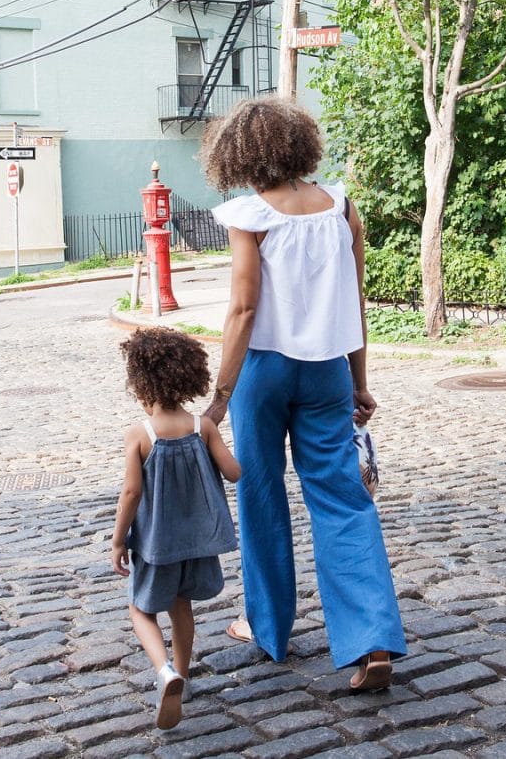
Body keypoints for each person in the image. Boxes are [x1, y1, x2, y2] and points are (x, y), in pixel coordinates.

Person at [198, 96, 407, 691]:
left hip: (263, 371)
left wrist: (219, 398)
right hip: (327, 372)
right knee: (344, 499)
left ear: (239, 155)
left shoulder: (249, 215)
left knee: (261, 494)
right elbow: (354, 301)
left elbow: (243, 309)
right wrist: (359, 381)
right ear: (300, 145)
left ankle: (267, 627)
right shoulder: (341, 207)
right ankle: (371, 639)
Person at [111, 327, 241, 729]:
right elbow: (234, 472)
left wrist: (118, 540)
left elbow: (132, 492)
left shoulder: (140, 434)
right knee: (181, 606)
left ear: (141, 385)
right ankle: (183, 675)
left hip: (156, 545)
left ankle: (164, 670)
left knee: (140, 608)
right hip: (198, 542)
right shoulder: (203, 427)